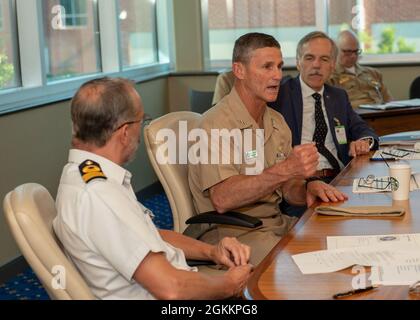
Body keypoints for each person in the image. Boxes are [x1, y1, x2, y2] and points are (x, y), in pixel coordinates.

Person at [53, 77, 253, 300]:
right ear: (125, 131)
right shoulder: (100, 194)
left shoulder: (88, 175)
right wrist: (228, 285)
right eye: (142, 120)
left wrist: (211, 251)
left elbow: (149, 236)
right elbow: (171, 288)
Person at [188, 33, 347, 266]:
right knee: (307, 264)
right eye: (267, 67)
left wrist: (307, 188)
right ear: (239, 71)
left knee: (335, 243)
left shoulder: (276, 122)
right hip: (230, 233)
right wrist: (286, 169)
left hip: (273, 223)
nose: (277, 76)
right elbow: (222, 198)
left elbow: (287, 189)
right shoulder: (215, 124)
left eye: (280, 67)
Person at [269, 31, 379, 185]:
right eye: (309, 58)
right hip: (299, 183)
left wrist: (364, 141)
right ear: (298, 62)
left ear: (333, 65)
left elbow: (362, 129)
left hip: (340, 178)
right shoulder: (280, 94)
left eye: (324, 59)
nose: (316, 65)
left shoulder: (338, 97)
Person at [329, 30, 392, 108]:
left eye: (356, 51)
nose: (353, 56)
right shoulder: (331, 76)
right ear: (336, 51)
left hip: (381, 114)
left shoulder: (373, 73)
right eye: (348, 52)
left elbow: (389, 101)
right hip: (357, 116)